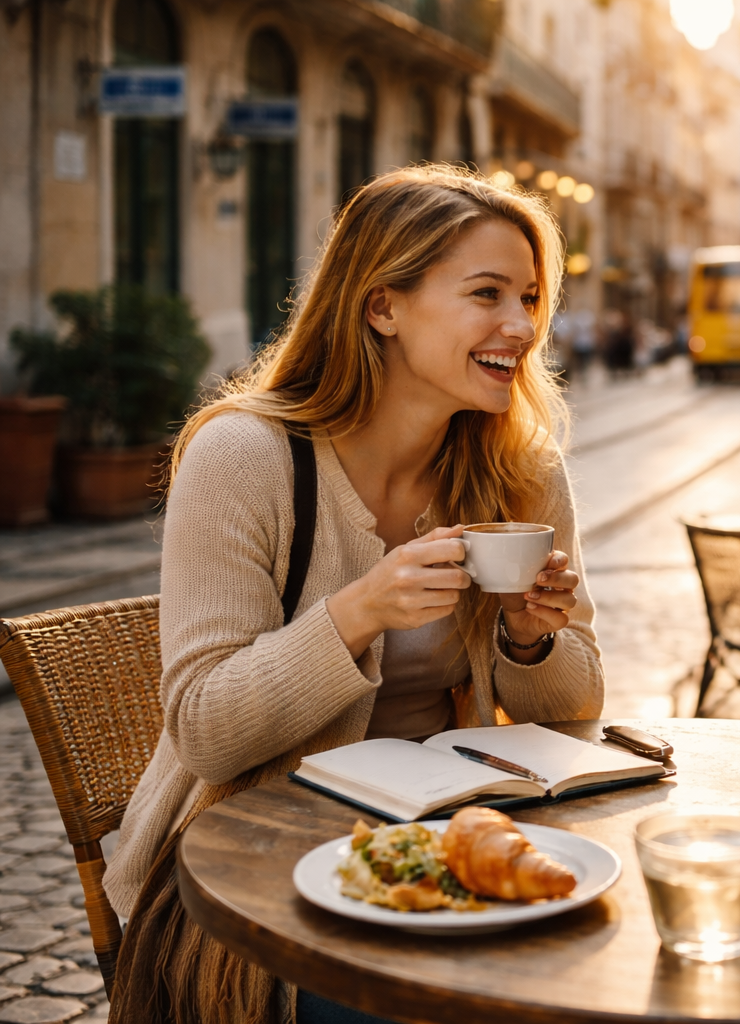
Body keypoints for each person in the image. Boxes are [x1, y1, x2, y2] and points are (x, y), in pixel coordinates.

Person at [105, 165, 604, 1024]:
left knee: (587, 971)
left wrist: (529, 639)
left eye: (529, 297)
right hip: (243, 866)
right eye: (486, 293)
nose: (521, 326)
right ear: (383, 307)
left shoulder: (520, 472)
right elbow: (205, 732)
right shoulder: (244, 459)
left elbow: (580, 701)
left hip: (443, 844)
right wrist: (358, 612)